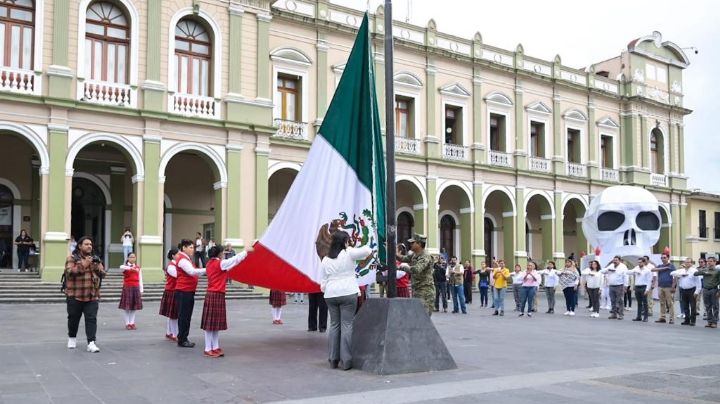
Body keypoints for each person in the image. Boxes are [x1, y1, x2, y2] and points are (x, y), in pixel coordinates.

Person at [320, 231, 373, 370]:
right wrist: (349, 247)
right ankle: (347, 360)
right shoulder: (349, 253)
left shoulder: (326, 259)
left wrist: (327, 288)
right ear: (345, 241)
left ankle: (333, 359)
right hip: (348, 292)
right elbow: (368, 250)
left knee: (334, 325)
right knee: (346, 325)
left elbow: (323, 280)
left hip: (331, 293)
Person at [201, 245, 250, 357]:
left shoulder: (209, 264)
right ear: (219, 254)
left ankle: (215, 346)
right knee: (211, 324)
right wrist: (246, 251)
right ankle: (208, 348)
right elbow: (235, 260)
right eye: (222, 252)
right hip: (216, 294)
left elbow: (232, 263)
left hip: (213, 294)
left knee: (213, 324)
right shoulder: (220, 263)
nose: (224, 254)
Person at [64, 236, 106, 353]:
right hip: (75, 295)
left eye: (91, 244)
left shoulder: (95, 259)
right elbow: (69, 272)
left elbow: (103, 274)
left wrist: (98, 266)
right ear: (80, 246)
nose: (89, 246)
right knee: (73, 319)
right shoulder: (72, 258)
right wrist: (84, 264)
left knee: (91, 319)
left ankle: (91, 342)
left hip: (92, 295)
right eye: (86, 244)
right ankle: (72, 337)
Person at [175, 239, 206, 348]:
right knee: (184, 316)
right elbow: (192, 271)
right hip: (184, 291)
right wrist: (207, 269)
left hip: (187, 291)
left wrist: (203, 271)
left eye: (193, 247)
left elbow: (194, 272)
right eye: (190, 247)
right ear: (184, 248)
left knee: (186, 316)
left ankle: (183, 337)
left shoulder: (187, 259)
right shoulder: (183, 260)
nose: (192, 250)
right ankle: (182, 339)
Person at [397, 234, 435, 317]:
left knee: (423, 317)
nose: (410, 244)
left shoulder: (425, 256)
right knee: (417, 316)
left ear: (419, 244)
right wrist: (392, 251)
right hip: (417, 289)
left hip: (425, 291)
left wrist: (403, 267)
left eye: (412, 243)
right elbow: (403, 258)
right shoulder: (415, 255)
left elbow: (417, 269)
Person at [672, 258, 701, 326]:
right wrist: (681, 275)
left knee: (693, 306)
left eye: (688, 262)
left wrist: (697, 291)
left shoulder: (694, 271)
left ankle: (693, 321)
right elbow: (672, 273)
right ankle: (687, 320)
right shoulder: (682, 270)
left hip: (692, 290)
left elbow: (698, 282)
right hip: (683, 290)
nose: (687, 263)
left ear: (691, 263)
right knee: (685, 306)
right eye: (686, 262)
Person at [693, 254, 720, 328]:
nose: (709, 263)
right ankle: (709, 321)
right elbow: (695, 274)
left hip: (714, 290)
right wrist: (703, 271)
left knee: (715, 306)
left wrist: (719, 291)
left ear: (715, 262)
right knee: (707, 306)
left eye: (711, 261)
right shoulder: (705, 270)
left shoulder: (717, 271)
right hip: (705, 290)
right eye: (708, 261)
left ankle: (714, 322)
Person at [118, 252, 143, 330]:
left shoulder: (138, 268)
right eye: (131, 257)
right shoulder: (125, 267)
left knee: (134, 307)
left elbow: (140, 279)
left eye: (134, 257)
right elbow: (121, 267)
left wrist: (141, 289)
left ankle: (132, 323)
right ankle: (127, 323)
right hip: (127, 287)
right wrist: (130, 268)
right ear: (128, 258)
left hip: (136, 288)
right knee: (127, 307)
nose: (132, 258)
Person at [600, 255, 629, 320]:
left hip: (619, 285)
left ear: (619, 260)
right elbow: (603, 271)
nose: (614, 261)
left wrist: (626, 286)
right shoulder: (611, 265)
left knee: (620, 300)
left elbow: (626, 276)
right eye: (614, 260)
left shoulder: (623, 267)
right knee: (612, 300)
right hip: (611, 285)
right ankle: (614, 314)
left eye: (616, 260)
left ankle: (621, 315)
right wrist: (608, 270)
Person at [160, 248, 179, 341]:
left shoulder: (175, 265)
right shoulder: (171, 266)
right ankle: (174, 334)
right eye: (178, 254)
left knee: (171, 314)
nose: (179, 256)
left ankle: (169, 332)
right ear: (173, 256)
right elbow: (178, 276)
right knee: (173, 314)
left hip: (173, 291)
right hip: (172, 291)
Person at [652, 254, 677, 324]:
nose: (663, 259)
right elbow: (652, 269)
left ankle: (671, 318)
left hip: (668, 287)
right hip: (660, 286)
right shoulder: (660, 266)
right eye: (662, 258)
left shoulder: (671, 266)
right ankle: (662, 317)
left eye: (664, 258)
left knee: (670, 303)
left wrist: (673, 286)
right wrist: (663, 269)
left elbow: (675, 277)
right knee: (662, 303)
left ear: (668, 258)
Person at [629, 257, 654, 322]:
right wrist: (635, 271)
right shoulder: (636, 268)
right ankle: (639, 316)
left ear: (643, 262)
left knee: (645, 303)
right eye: (638, 262)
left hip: (644, 287)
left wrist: (647, 289)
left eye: (640, 262)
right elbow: (628, 272)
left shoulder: (647, 270)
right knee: (639, 303)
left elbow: (649, 280)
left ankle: (646, 317)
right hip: (637, 287)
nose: (639, 263)